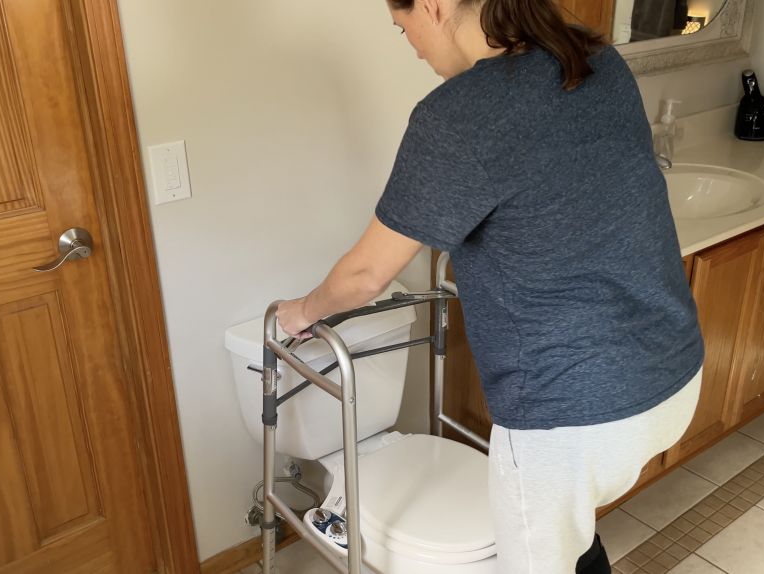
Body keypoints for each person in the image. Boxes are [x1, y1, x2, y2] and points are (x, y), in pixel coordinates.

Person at [276, 0, 705, 572]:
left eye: (404, 30)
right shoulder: (595, 58)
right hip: (672, 374)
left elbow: (364, 275)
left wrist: (302, 310)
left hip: (569, 419)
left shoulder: (459, 112)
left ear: (431, 6)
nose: (413, 47)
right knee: (568, 532)